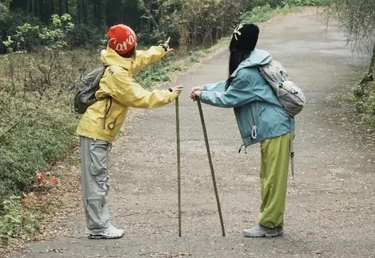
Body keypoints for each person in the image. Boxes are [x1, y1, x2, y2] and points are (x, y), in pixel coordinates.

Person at [77, 23, 182, 239]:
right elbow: (139, 97)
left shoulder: (118, 60)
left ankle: (98, 225)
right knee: (97, 180)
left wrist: (161, 49)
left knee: (99, 178)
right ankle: (98, 228)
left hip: (101, 131)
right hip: (96, 131)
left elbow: (140, 58)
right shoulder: (117, 74)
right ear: (129, 47)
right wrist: (168, 94)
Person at [190, 22, 294, 238]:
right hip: (274, 128)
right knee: (269, 177)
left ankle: (270, 225)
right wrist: (206, 88)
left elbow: (229, 97)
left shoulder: (248, 70)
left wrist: (202, 95)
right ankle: (272, 222)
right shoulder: (256, 59)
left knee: (273, 179)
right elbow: (231, 85)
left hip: (276, 128)